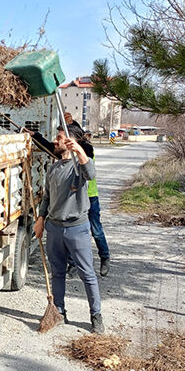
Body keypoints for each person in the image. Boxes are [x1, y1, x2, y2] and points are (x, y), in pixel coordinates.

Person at [34, 123, 104, 334]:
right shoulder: (53, 168)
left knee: (87, 273)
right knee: (57, 272)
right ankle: (60, 311)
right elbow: (46, 196)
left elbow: (90, 173)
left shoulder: (79, 167)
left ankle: (96, 315)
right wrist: (40, 218)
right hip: (54, 228)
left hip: (77, 229)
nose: (55, 140)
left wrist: (80, 150)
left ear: (70, 141)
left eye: (59, 137)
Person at [62, 112, 111, 277]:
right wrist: (36, 135)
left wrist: (74, 124)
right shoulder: (66, 152)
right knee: (72, 230)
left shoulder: (87, 149)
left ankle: (105, 257)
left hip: (90, 197)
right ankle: (73, 264)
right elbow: (50, 146)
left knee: (96, 230)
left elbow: (84, 146)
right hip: (75, 199)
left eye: (69, 137)